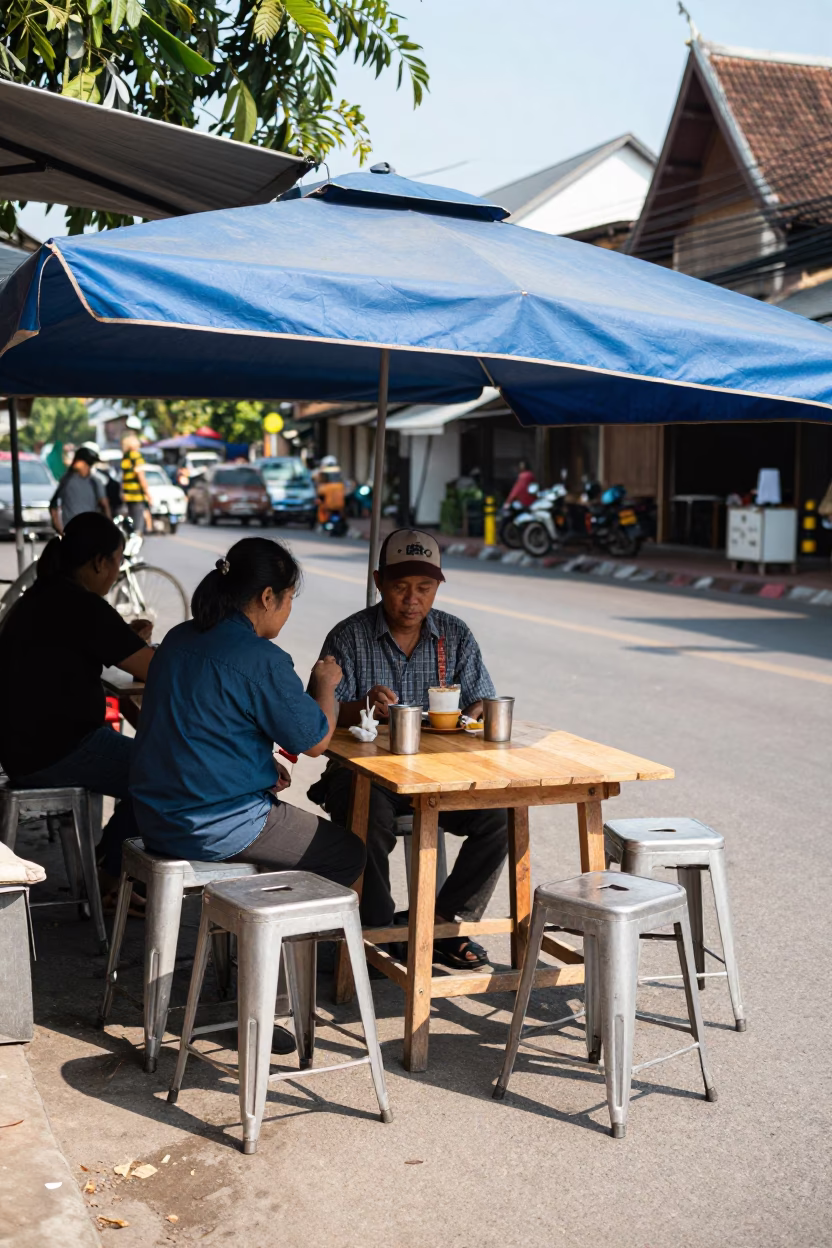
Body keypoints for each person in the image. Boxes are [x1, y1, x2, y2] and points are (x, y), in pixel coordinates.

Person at [312, 529, 508, 969]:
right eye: (401, 587)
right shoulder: (349, 637)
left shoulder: (455, 636)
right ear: (379, 582)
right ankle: (379, 930)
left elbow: (480, 699)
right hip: (364, 777)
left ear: (438, 586)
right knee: (369, 817)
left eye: (424, 588)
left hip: (439, 776)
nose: (412, 599)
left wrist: (473, 711)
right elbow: (315, 714)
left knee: (502, 815)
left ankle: (440, 923)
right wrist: (358, 707)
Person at [129, 538, 365, 890]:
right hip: (212, 825)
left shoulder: (179, 638)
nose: (288, 611)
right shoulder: (261, 658)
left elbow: (196, 730)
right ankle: (275, 941)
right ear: (268, 597)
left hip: (154, 816)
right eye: (289, 600)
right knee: (346, 853)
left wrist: (257, 767)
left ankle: (258, 933)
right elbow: (315, 741)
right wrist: (325, 684)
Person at [0, 512, 154, 882]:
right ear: (100, 561)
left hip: (22, 746)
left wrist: (128, 639)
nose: (117, 571)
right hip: (56, 750)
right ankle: (112, 875)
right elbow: (155, 669)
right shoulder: (81, 605)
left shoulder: (42, 595)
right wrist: (143, 644)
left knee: (146, 763)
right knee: (162, 773)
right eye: (117, 561)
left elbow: (110, 647)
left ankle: (106, 864)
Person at [50, 446, 111, 534]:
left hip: (90, 530)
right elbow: (54, 505)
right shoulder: (67, 480)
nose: (88, 468)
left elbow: (105, 505)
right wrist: (59, 528)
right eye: (88, 464)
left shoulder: (94, 482)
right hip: (72, 530)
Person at [120, 434, 153, 536]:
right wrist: (147, 493)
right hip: (137, 494)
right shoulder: (136, 456)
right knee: (138, 523)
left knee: (131, 520)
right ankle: (135, 541)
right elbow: (141, 476)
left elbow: (123, 477)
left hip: (127, 494)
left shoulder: (125, 456)